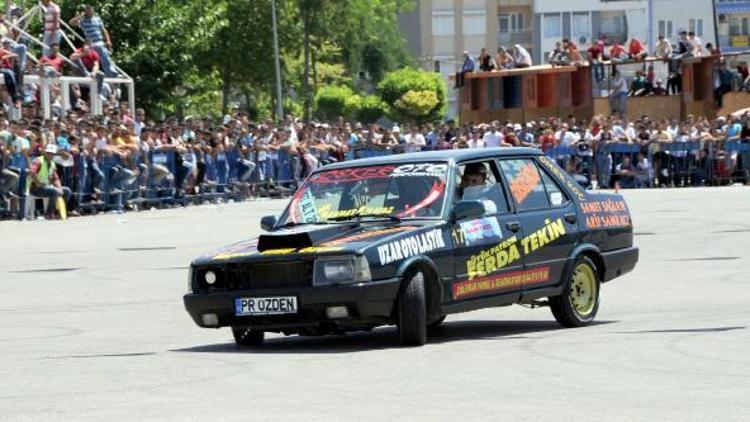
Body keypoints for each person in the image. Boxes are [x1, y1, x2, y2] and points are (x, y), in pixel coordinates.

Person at [70, 5, 118, 77]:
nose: (89, 11)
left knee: (104, 54)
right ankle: (92, 73)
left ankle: (111, 73)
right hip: (90, 43)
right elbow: (71, 22)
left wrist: (108, 41)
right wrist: (81, 16)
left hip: (99, 41)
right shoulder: (83, 21)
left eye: (90, 9)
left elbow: (103, 30)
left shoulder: (97, 19)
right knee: (91, 53)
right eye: (87, 10)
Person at [28, 143, 71, 218]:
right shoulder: (38, 161)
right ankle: (49, 213)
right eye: (48, 153)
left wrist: (60, 187)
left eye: (52, 154)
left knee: (67, 191)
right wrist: (39, 182)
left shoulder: (52, 163)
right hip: (35, 188)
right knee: (54, 191)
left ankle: (58, 212)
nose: (50, 155)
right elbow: (32, 172)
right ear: (45, 153)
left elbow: (55, 179)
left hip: (46, 187)